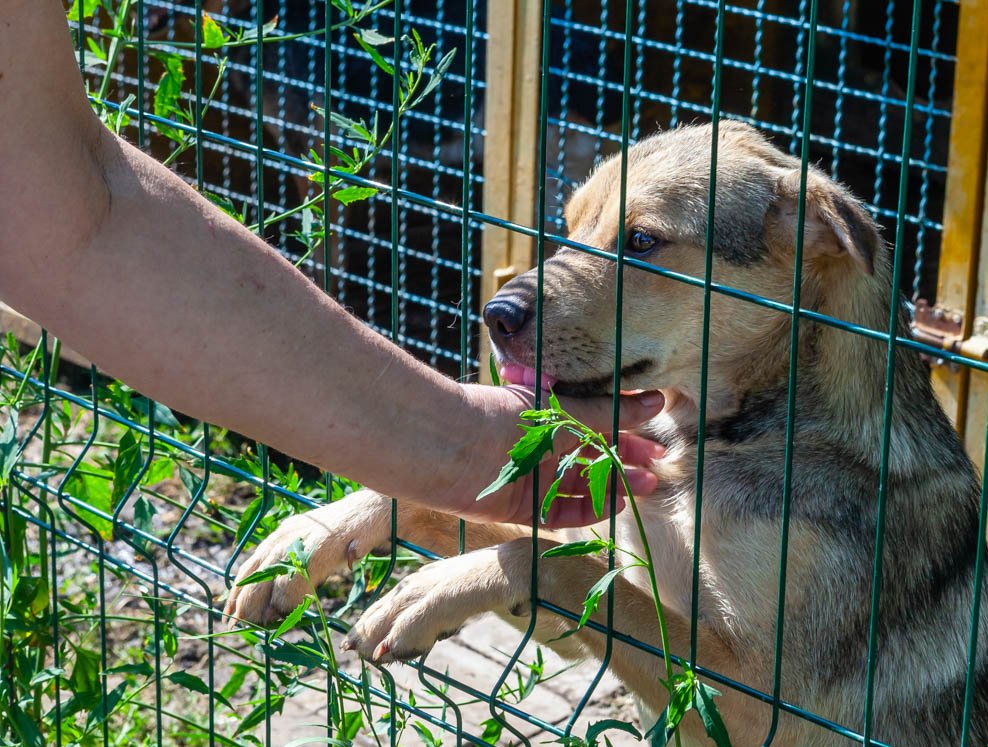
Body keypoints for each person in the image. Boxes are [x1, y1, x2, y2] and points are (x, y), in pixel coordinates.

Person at [0, 2, 664, 528]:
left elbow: (73, 213)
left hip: (482, 85)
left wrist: (464, 448)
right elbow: (73, 211)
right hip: (380, 96)